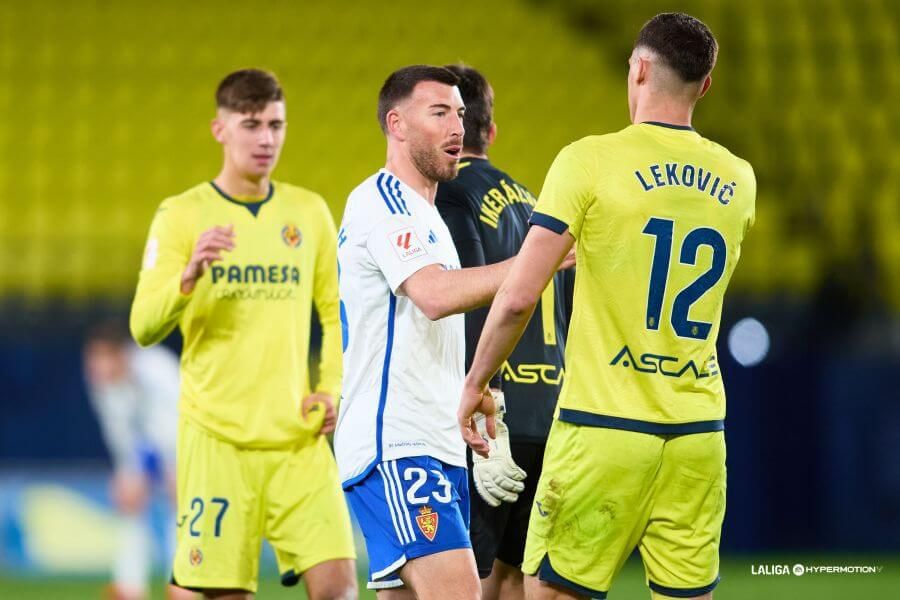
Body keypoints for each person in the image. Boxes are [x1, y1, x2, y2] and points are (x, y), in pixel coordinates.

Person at [459, 13, 756, 600]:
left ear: (639, 68)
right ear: (705, 85)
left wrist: (477, 382)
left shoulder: (589, 160)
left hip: (602, 427)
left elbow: (519, 295)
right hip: (698, 433)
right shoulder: (739, 178)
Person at [334, 64, 573, 600]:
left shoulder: (431, 216)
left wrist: (477, 390)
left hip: (434, 438)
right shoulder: (384, 201)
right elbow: (435, 295)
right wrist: (536, 262)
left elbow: (427, 326)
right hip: (397, 442)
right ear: (396, 124)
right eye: (439, 113)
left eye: (461, 114)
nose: (457, 128)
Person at [130, 68, 356, 600]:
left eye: (276, 125)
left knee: (340, 588)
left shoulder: (308, 212)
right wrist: (187, 279)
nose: (266, 139)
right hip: (218, 441)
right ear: (221, 130)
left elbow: (336, 314)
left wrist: (332, 389)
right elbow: (143, 326)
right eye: (251, 125)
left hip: (297, 439)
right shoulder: (181, 215)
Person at [434, 64, 571, 600]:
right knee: (517, 574)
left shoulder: (451, 195)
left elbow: (467, 297)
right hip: (550, 409)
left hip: (494, 416)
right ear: (490, 131)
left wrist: (484, 400)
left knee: (468, 578)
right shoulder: (534, 203)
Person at [83, 320, 193, 600]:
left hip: (183, 442)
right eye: (92, 359)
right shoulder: (102, 384)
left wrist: (178, 465)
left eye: (100, 358)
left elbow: (185, 415)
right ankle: (129, 588)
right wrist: (127, 471)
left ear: (120, 355)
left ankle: (183, 584)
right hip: (144, 448)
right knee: (129, 501)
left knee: (180, 504)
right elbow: (119, 432)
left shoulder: (158, 368)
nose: (94, 367)